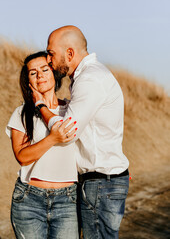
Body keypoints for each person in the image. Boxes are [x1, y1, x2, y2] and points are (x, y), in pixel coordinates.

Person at [32, 25, 129, 239]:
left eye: (51, 53)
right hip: (104, 182)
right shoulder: (89, 76)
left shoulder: (90, 79)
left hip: (101, 183)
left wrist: (40, 105)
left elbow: (66, 133)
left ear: (69, 53)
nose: (48, 60)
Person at [6, 51, 79, 239]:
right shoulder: (22, 113)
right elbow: (22, 157)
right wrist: (53, 138)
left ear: (54, 73)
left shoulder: (72, 110)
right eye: (33, 72)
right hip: (29, 199)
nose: (39, 75)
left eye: (45, 69)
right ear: (28, 80)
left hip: (68, 200)